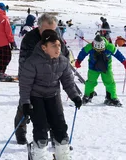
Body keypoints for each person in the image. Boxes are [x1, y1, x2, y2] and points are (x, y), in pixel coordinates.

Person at [19, 29, 81, 160]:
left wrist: (75, 96)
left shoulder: (63, 61)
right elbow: (25, 85)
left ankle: (62, 155)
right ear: (44, 47)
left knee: (60, 126)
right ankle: (39, 155)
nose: (58, 48)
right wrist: (25, 103)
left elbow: (68, 82)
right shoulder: (32, 62)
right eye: (53, 46)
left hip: (53, 96)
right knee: (40, 128)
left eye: (59, 45)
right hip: (36, 97)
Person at [14, 13, 71, 145]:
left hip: (51, 80)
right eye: (47, 30)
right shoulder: (29, 39)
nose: (51, 33)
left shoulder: (56, 38)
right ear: (39, 28)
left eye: (53, 29)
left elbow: (64, 56)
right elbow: (25, 62)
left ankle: (56, 138)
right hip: (32, 80)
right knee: (26, 106)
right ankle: (20, 132)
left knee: (55, 111)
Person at [76, 34, 126, 106]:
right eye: (97, 50)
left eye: (101, 50)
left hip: (106, 68)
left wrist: (125, 63)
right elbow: (83, 53)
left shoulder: (110, 47)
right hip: (93, 68)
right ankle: (87, 96)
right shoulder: (90, 47)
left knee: (110, 82)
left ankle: (111, 97)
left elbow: (118, 54)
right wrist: (78, 61)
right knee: (90, 82)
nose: (99, 51)